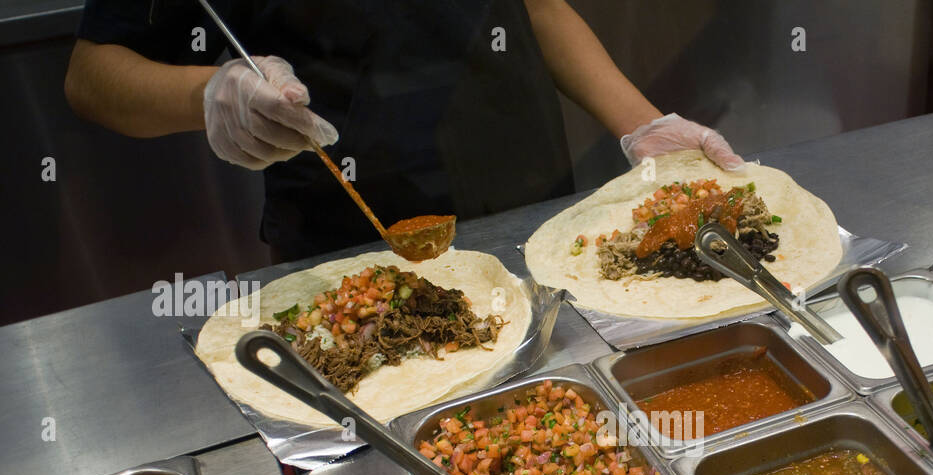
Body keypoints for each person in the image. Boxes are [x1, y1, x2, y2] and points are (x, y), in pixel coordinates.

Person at [65, 0, 743, 262]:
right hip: (353, 241)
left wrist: (642, 125)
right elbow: (90, 75)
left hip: (532, 216)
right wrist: (209, 93)